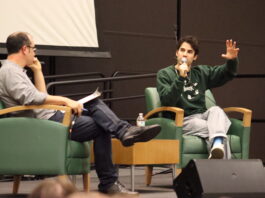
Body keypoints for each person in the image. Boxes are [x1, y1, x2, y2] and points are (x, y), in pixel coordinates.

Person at [0, 32, 161, 194]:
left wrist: (38, 71)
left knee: (95, 103)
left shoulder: (16, 71)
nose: (35, 52)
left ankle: (124, 132)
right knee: (102, 125)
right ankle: (111, 175)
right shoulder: (9, 72)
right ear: (24, 49)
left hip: (48, 118)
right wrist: (65, 101)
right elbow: (32, 98)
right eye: (34, 48)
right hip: (45, 124)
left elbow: (41, 96)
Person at [157, 35, 239, 159]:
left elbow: (226, 73)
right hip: (182, 120)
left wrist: (232, 61)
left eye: (189, 52)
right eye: (182, 50)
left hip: (202, 116)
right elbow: (166, 100)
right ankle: (223, 170)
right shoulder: (165, 74)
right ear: (177, 53)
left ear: (195, 57)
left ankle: (217, 146)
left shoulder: (200, 72)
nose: (185, 54)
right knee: (218, 128)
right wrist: (180, 78)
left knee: (216, 110)